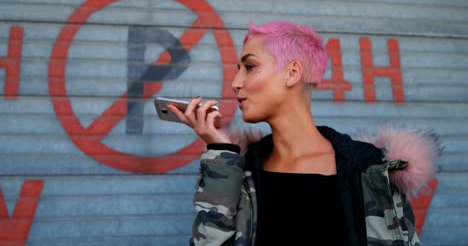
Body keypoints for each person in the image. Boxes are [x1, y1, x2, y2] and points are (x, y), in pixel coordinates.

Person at [168, 21, 441, 245]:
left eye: (249, 67)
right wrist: (221, 155)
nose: (236, 83)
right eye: (237, 70)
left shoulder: (370, 170)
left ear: (292, 72)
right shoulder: (240, 168)